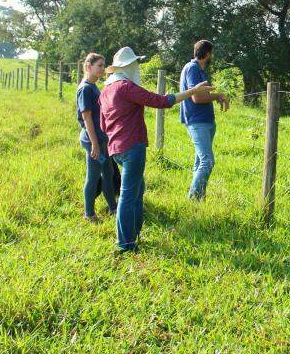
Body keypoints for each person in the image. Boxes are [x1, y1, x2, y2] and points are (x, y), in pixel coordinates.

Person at [100, 46, 214, 253]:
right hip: (132, 146)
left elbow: (102, 124)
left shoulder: (105, 91)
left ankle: (134, 232)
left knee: (137, 189)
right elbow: (161, 101)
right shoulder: (125, 87)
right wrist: (192, 91)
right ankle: (125, 243)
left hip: (115, 149)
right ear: (129, 67)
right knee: (128, 194)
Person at [179, 40, 229, 201]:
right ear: (207, 53)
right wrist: (218, 96)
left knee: (200, 161)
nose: (211, 56)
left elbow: (202, 94)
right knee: (208, 161)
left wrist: (214, 96)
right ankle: (193, 198)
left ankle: (199, 199)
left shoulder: (199, 70)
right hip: (197, 121)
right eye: (211, 53)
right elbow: (197, 97)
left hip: (205, 121)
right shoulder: (193, 68)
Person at [76, 52, 116, 222]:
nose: (102, 68)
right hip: (93, 139)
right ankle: (89, 214)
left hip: (101, 138)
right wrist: (95, 144)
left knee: (109, 172)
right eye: (99, 65)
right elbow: (86, 118)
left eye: (103, 65)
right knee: (93, 176)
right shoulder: (85, 88)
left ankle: (113, 208)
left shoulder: (93, 86)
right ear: (88, 66)